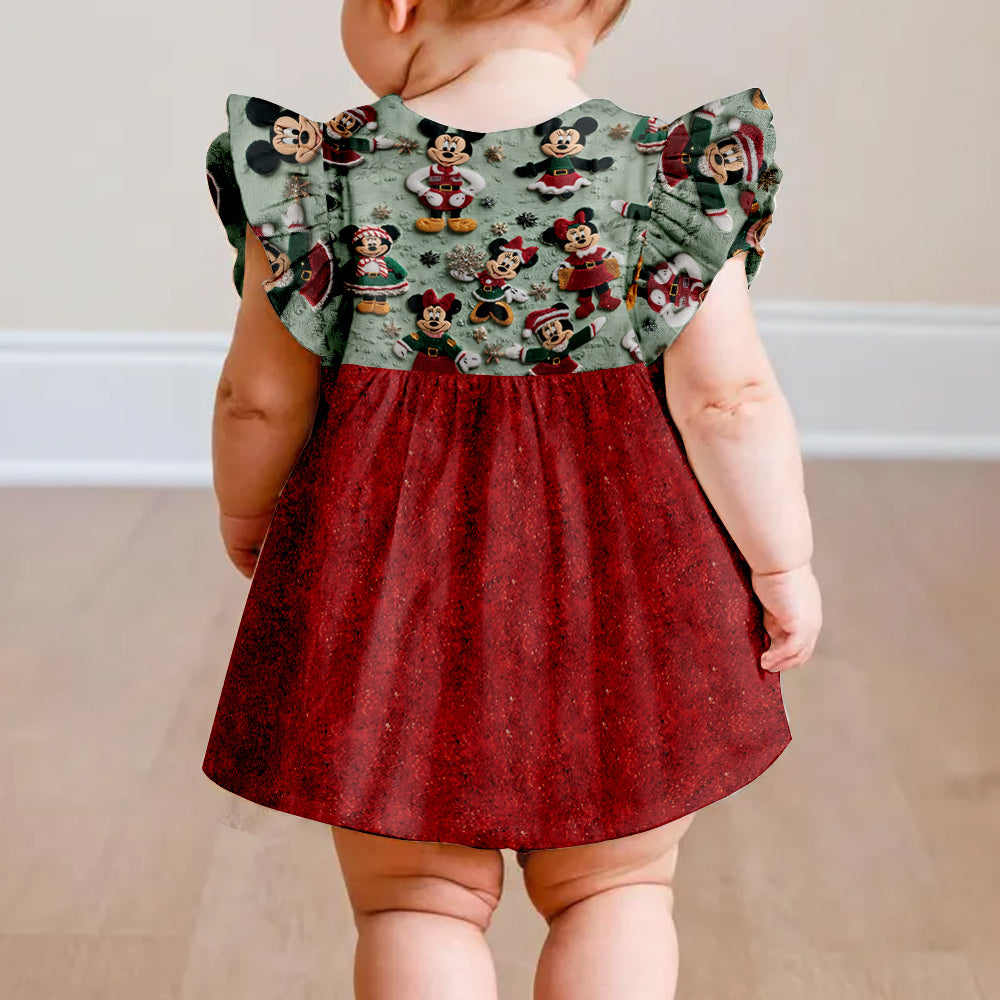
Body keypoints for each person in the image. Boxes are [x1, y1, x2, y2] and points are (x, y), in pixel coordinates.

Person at [202, 0, 822, 997]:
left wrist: (247, 508)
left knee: (412, 898)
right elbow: (730, 400)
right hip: (619, 595)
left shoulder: (322, 180)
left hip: (393, 596)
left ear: (395, 5)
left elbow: (259, 398)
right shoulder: (666, 176)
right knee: (618, 886)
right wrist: (781, 562)